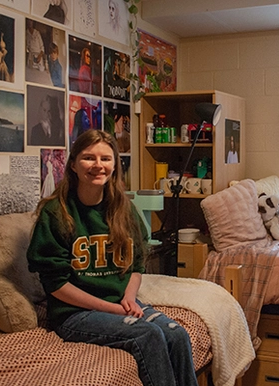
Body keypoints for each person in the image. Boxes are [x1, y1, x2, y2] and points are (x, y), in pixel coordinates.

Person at [27, 129, 198, 386]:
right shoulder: (56, 212)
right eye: (89, 158)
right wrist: (114, 309)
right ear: (73, 164)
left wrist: (129, 298)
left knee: (177, 334)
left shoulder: (123, 209)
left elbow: (137, 266)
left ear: (115, 165)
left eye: (106, 159)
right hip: (75, 314)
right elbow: (56, 285)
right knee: (148, 335)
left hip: (120, 303)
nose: (98, 166)